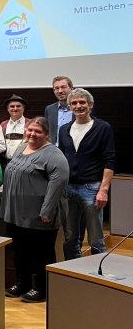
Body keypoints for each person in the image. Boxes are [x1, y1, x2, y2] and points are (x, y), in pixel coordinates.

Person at [2, 117, 69, 302]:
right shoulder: (22, 148)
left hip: (40, 216)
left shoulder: (54, 155)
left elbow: (59, 183)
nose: (32, 134)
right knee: (19, 250)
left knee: (42, 253)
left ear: (46, 134)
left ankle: (41, 288)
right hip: (16, 213)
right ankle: (22, 283)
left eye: (38, 131)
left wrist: (46, 211)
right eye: (30, 130)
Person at [58, 88, 115, 260]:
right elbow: (61, 158)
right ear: (70, 107)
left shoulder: (103, 128)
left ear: (90, 105)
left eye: (82, 102)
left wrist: (103, 190)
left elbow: (110, 160)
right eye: (74, 103)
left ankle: (97, 276)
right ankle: (72, 272)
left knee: (96, 239)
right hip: (68, 189)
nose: (78, 106)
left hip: (91, 188)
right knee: (70, 238)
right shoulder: (64, 129)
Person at [45, 76, 74, 145]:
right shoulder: (49, 109)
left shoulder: (80, 109)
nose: (60, 91)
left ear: (72, 89)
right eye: (56, 88)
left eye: (63, 87)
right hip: (54, 151)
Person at [2, 94, 31, 163]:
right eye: (12, 106)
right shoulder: (3, 124)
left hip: (25, 162)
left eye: (18, 106)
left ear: (23, 108)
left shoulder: (30, 123)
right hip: (6, 163)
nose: (15, 109)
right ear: (8, 109)